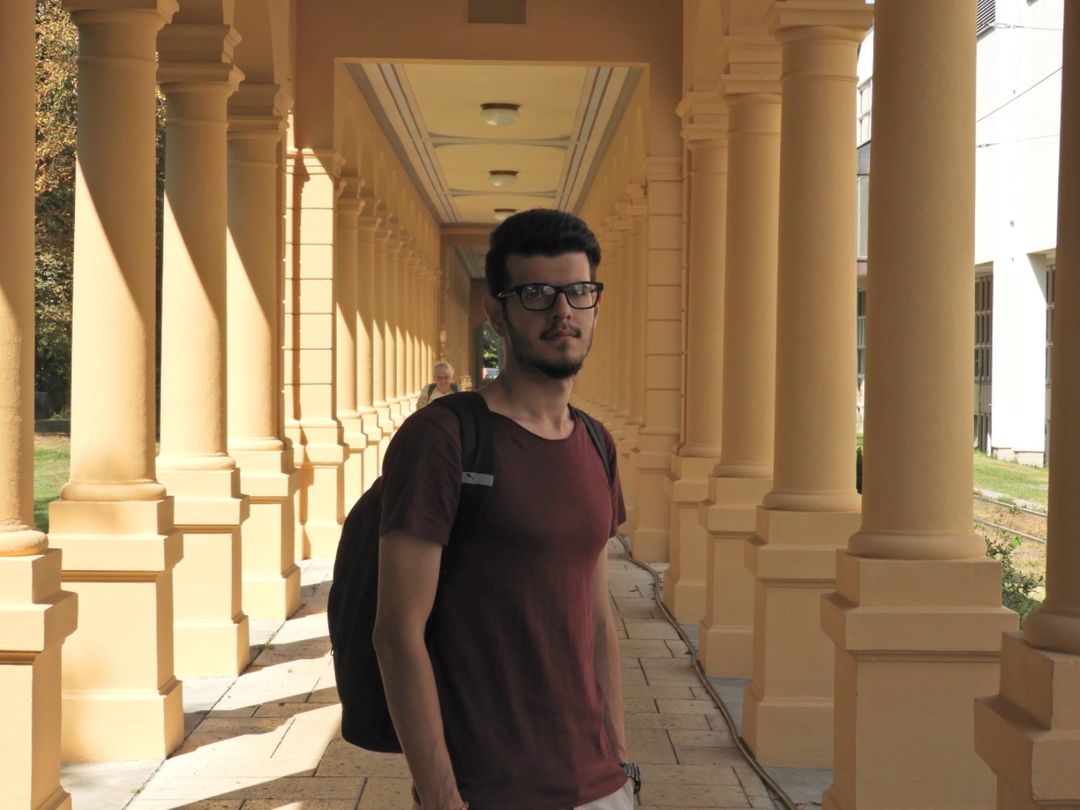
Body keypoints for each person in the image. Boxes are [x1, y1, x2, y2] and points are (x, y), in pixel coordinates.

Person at [373, 209, 637, 810]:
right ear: (497, 312)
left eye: (578, 291)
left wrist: (621, 763)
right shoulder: (442, 439)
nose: (562, 311)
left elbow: (596, 617)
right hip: (488, 790)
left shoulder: (596, 443)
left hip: (600, 785)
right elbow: (396, 633)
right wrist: (442, 798)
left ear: (595, 305)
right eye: (537, 294)